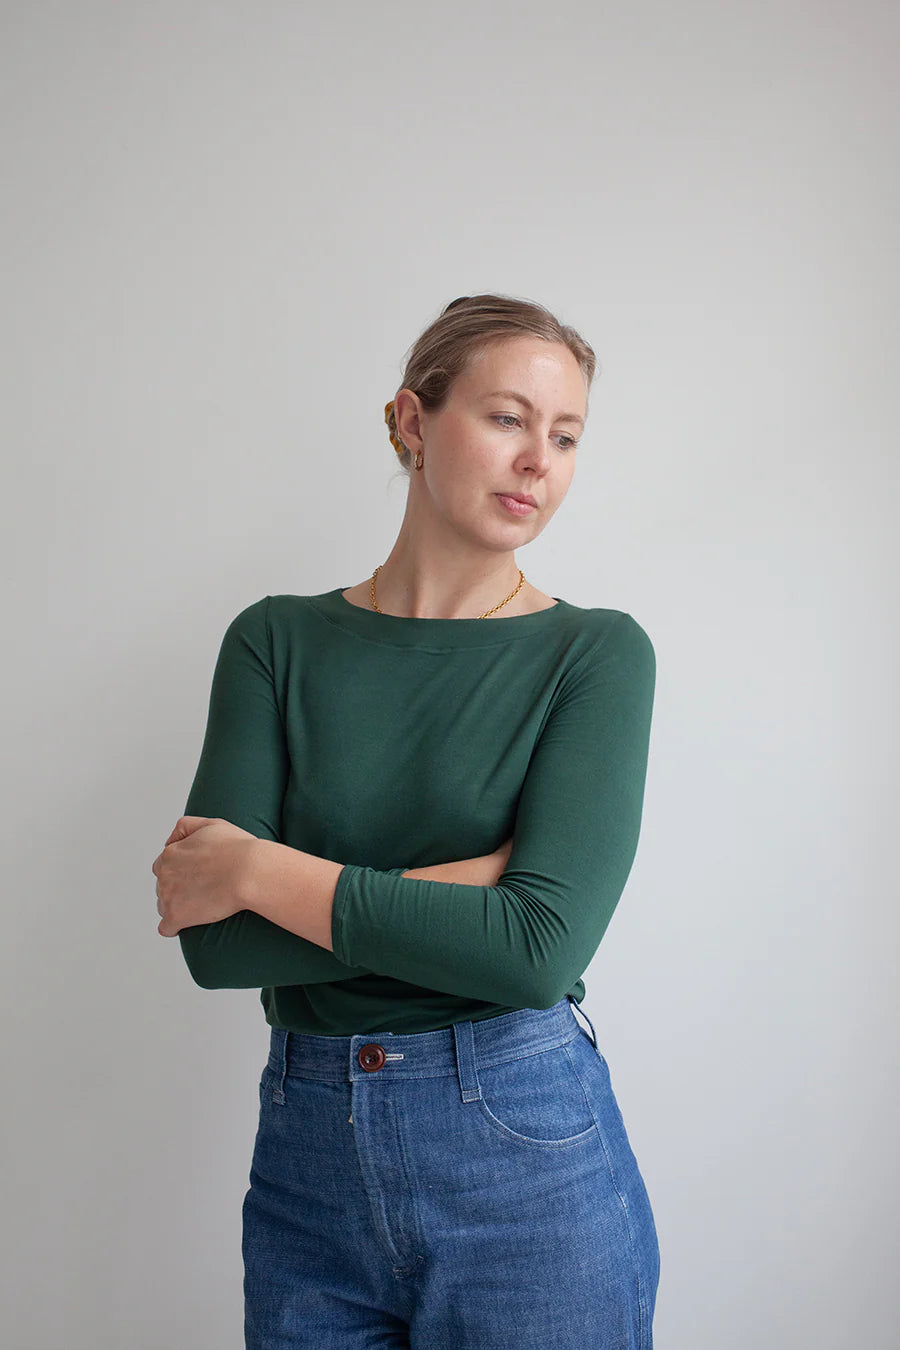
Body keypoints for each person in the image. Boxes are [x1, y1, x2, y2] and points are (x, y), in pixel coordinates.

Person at [152, 293, 660, 1348]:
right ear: (411, 421)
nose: (538, 461)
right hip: (306, 1159)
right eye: (508, 418)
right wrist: (484, 884)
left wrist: (258, 872)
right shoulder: (275, 642)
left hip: (523, 1152)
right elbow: (215, 946)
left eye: (566, 436)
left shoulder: (595, 654)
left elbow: (536, 951)